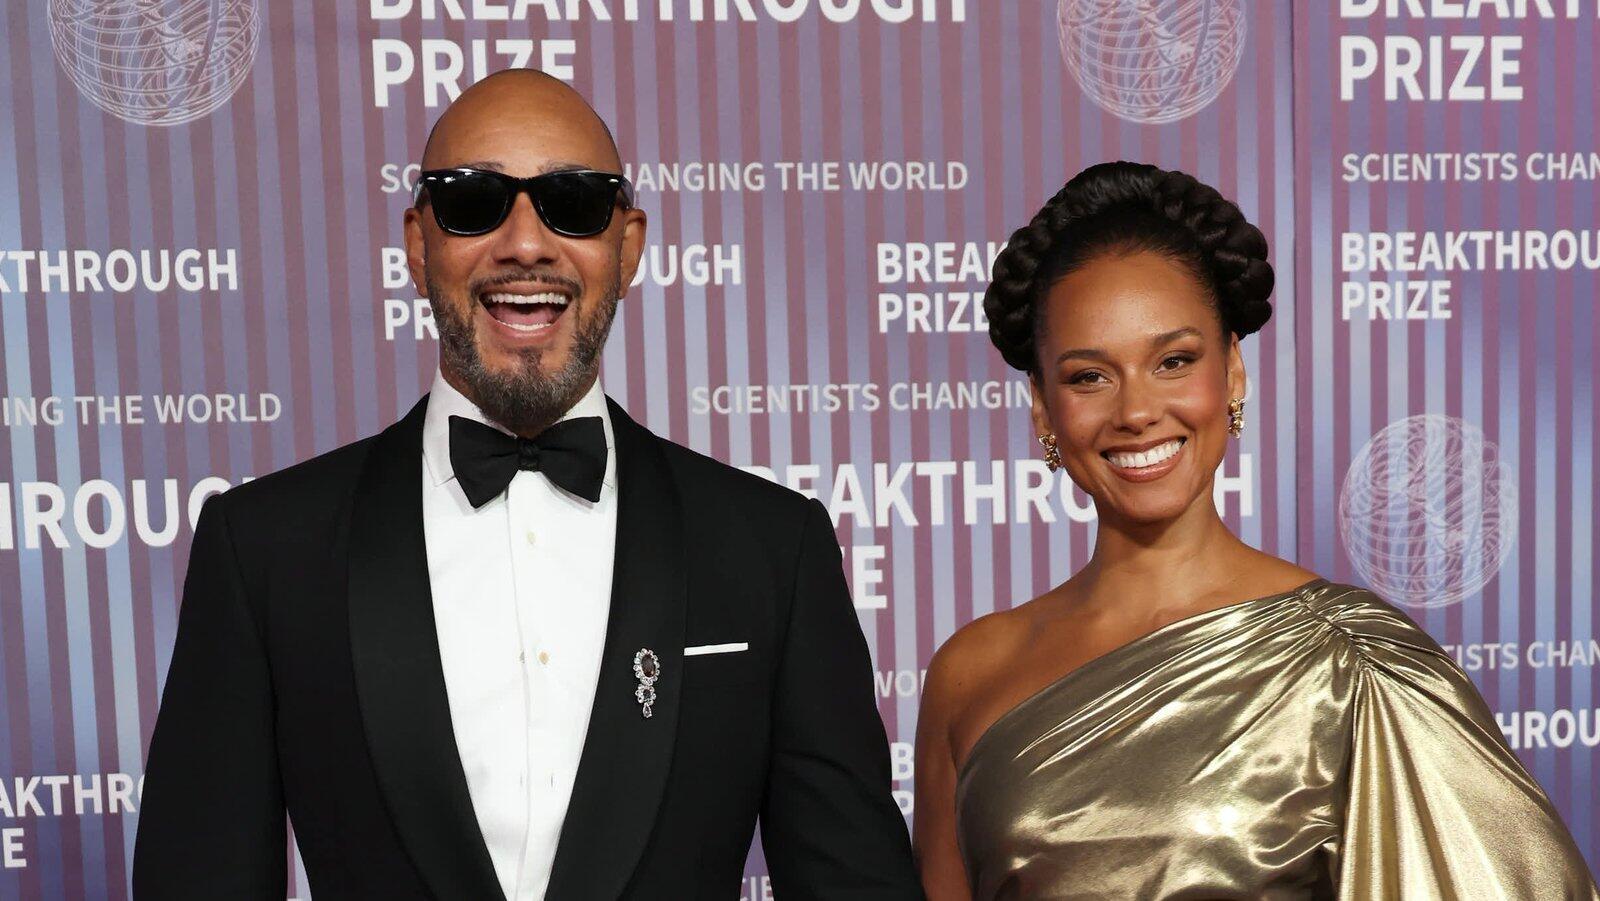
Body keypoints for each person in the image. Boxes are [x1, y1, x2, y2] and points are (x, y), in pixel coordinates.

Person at [132, 69, 919, 900]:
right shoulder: (264, 550)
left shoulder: (771, 550)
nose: (526, 243)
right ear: (417, 243)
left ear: (628, 246)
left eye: (572, 203)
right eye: (473, 202)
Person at [912, 161, 1599, 900]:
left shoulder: (1351, 664)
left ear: (1232, 372)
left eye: (1174, 361)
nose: (1136, 411)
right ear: (1044, 409)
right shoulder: (970, 672)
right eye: (1089, 376)